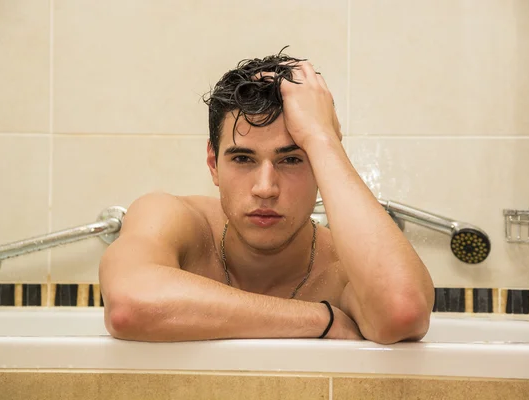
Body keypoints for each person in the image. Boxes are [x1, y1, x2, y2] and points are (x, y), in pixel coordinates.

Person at [99, 48, 435, 344]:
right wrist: (321, 319)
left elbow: (402, 310)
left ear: (320, 167)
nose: (265, 188)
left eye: (291, 159)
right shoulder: (175, 218)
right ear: (213, 164)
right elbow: (129, 306)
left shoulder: (343, 270)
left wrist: (322, 140)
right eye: (243, 159)